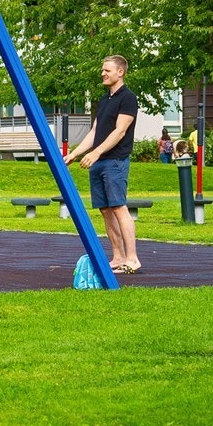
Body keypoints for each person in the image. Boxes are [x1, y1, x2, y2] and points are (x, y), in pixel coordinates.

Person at [65, 56, 140, 274]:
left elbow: (120, 131)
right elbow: (95, 132)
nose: (103, 73)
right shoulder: (105, 99)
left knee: (118, 207)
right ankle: (117, 257)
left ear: (120, 72)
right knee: (106, 210)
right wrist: (76, 154)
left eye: (107, 70)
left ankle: (132, 258)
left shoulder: (128, 98)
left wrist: (97, 152)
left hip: (115, 161)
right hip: (99, 162)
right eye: (102, 70)